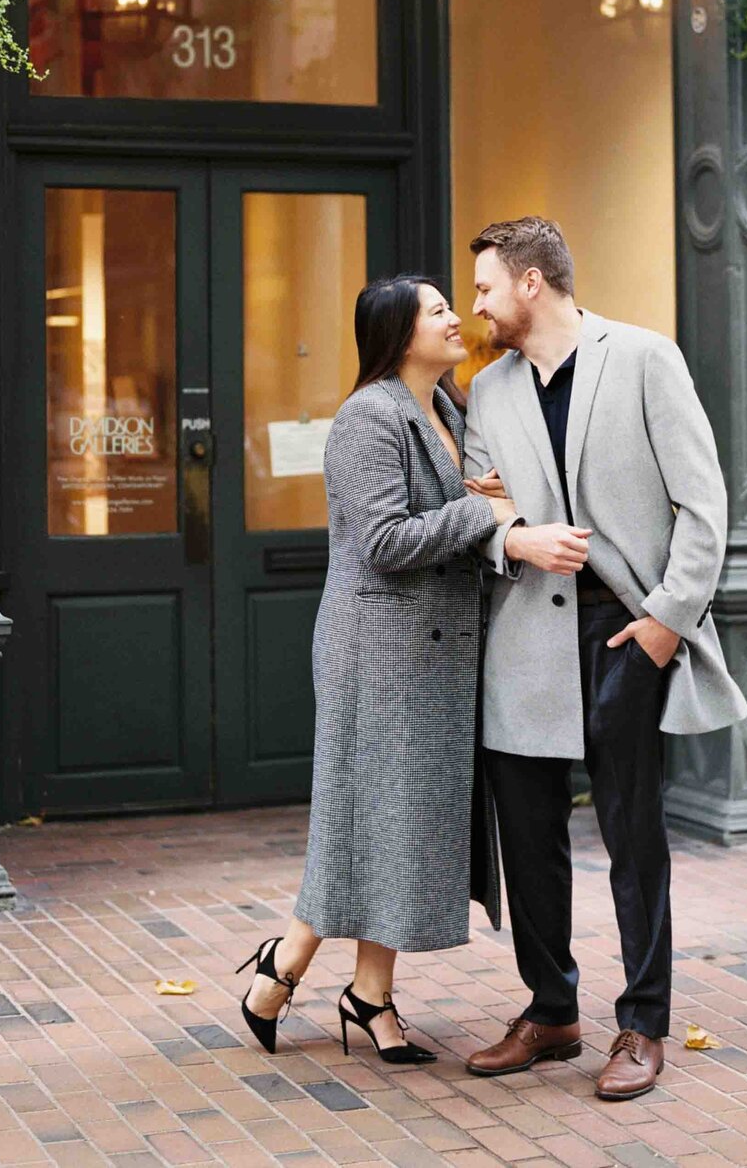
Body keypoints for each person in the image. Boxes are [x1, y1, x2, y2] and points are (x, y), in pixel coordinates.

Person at [461, 216, 747, 1100]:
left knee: (633, 833)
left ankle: (643, 1024)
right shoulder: (488, 390)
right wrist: (512, 536)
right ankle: (551, 1011)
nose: (475, 302)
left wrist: (668, 620)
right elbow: (481, 515)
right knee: (527, 832)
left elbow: (703, 504)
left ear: (531, 283)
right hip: (523, 637)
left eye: (484, 286)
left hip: (624, 630)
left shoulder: (645, 359)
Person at [236, 274, 518, 1062]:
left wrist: (475, 494)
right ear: (398, 334)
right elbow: (386, 543)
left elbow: (440, 504)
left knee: (395, 826)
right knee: (366, 821)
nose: (457, 317)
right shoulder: (367, 416)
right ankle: (284, 970)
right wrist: (483, 512)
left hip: (432, 649)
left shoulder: (447, 407)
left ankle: (366, 994)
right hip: (379, 651)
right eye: (438, 312)